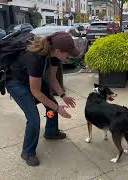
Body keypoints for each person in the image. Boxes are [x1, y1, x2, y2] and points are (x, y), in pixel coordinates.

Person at [5, 32, 79, 166]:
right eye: (68, 53)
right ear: (58, 50)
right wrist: (57, 108)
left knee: (52, 104)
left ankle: (51, 132)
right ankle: (27, 152)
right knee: (33, 118)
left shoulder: (55, 57)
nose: (70, 56)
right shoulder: (35, 59)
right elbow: (35, 91)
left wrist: (63, 96)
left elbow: (51, 79)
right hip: (16, 82)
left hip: (32, 80)